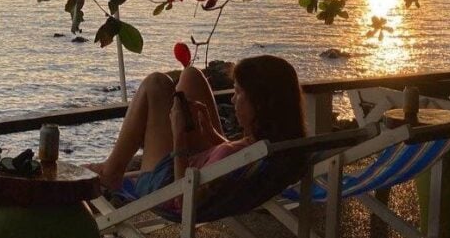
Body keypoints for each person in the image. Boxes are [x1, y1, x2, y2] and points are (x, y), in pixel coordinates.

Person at [87, 55, 306, 197]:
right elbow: (236, 157)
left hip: (167, 184)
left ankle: (112, 171)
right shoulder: (278, 143)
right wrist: (210, 133)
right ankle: (113, 167)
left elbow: (184, 199)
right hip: (201, 167)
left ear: (260, 103)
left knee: (156, 84)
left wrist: (178, 135)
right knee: (191, 75)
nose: (232, 100)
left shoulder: (256, 152)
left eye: (238, 93)